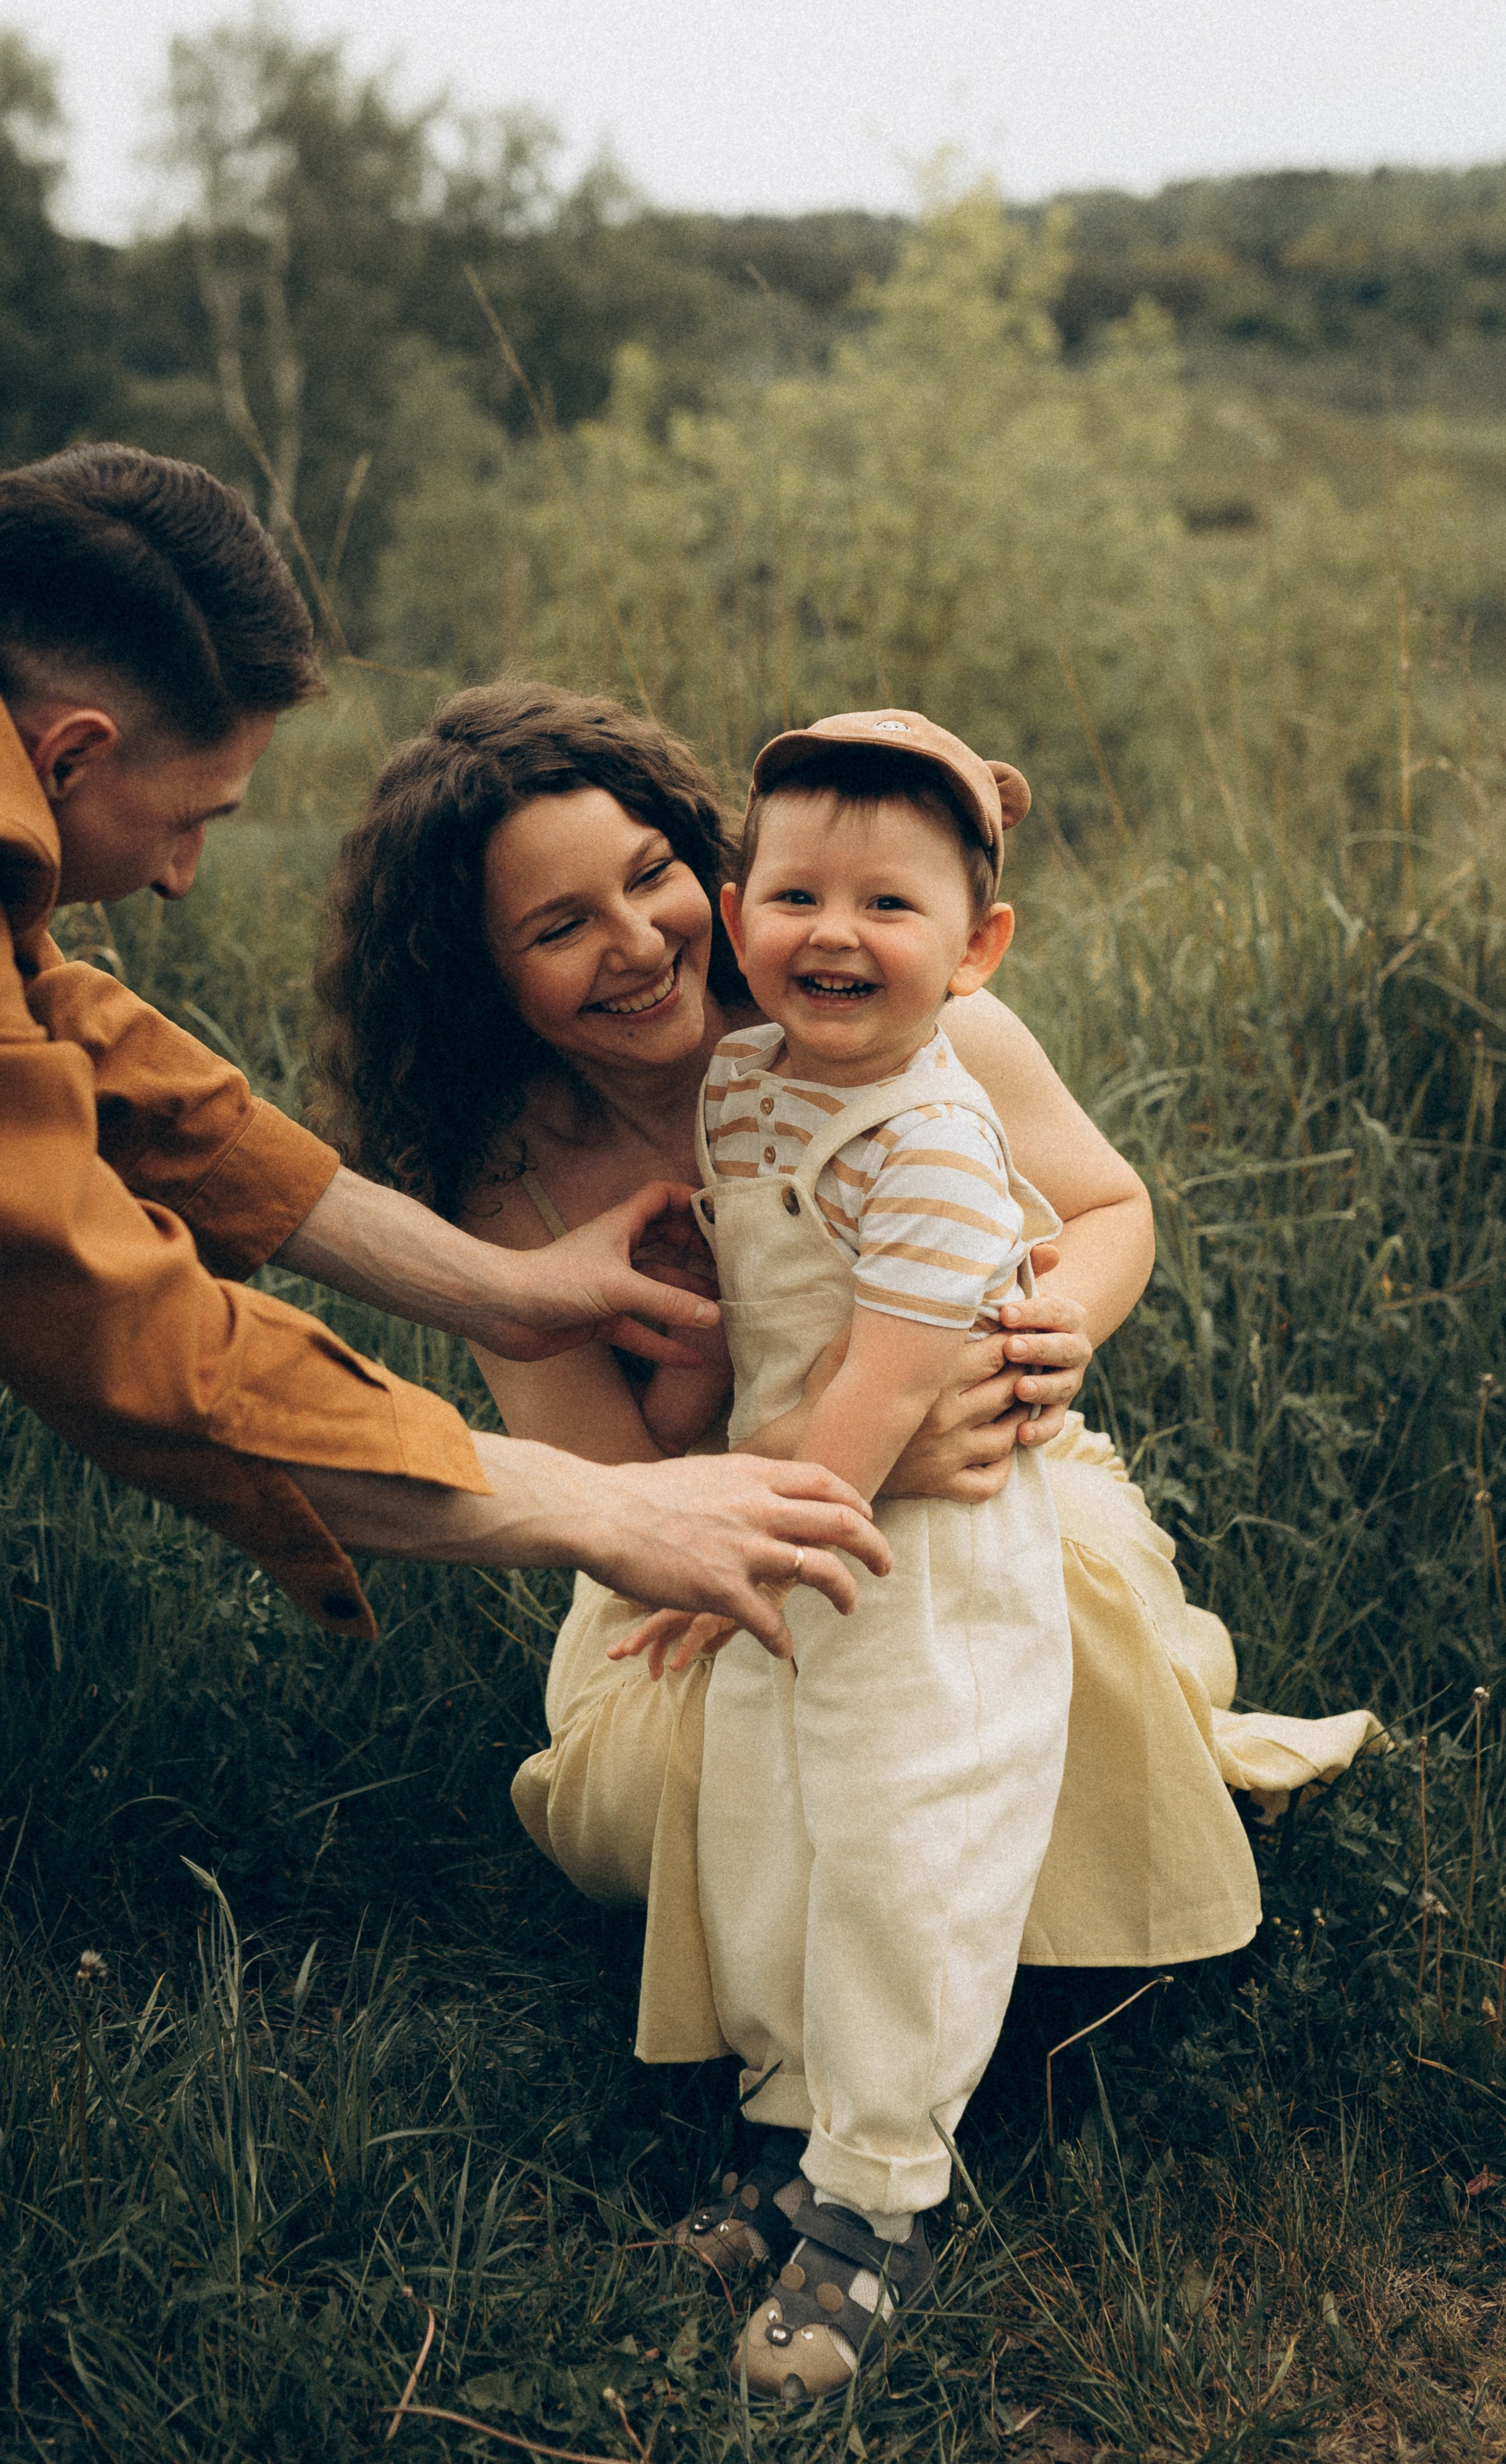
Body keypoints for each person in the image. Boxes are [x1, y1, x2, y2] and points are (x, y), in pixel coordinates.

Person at [313, 680, 1379, 2035]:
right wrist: (844, 1453)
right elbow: (614, 1495)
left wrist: (1063, 1319)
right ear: (479, 971)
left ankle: (1046, 1983)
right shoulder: (501, 1186)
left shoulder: (894, 1027)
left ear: (717, 869)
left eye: (653, 876)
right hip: (700, 1544)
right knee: (708, 1764)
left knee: (1033, 1634)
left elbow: (1110, 1208)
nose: (638, 942)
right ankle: (828, 2013)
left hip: (981, 1469)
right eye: (558, 924)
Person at [0, 446, 891, 1644]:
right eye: (192, 819)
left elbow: (82, 1042)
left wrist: (502, 1293)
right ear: (70, 758)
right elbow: (123, 1331)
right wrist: (594, 1508)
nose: (178, 880)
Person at [602, 708, 1074, 2398]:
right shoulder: (739, 1085)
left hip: (909, 1562)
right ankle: (791, 2126)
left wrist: (712, 1555)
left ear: (978, 949)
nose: (839, 936)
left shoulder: (939, 1147)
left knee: (896, 1856)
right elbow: (754, 1325)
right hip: (780, 1520)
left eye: (892, 905)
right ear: (739, 919)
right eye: (799, 894)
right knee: (767, 1838)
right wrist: (689, 1357)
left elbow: (872, 1411)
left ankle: (877, 2196)